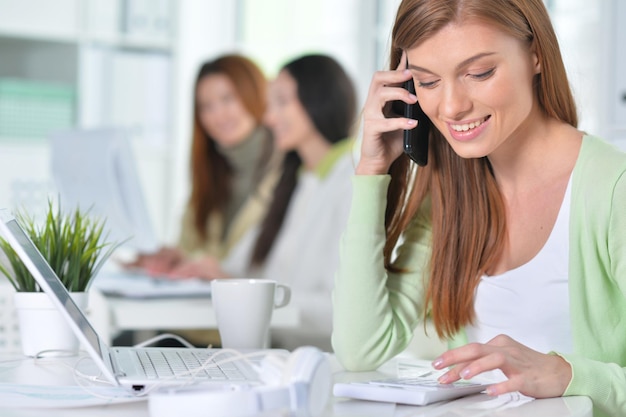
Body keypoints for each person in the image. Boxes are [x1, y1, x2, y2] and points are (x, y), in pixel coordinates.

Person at [331, 1, 626, 416]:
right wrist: (371, 169)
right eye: (428, 81)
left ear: (536, 54)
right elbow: (360, 348)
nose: (451, 107)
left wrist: (568, 375)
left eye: (480, 73)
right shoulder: (451, 196)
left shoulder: (613, 189)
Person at [221, 54, 358, 350]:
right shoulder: (293, 180)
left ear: (318, 100)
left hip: (324, 358)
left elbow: (345, 306)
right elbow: (240, 268)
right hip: (279, 351)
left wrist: (255, 298)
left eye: (282, 102)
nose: (269, 118)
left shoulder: (355, 180)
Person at [129, 54, 282, 278]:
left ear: (255, 95)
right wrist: (175, 258)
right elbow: (191, 247)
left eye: (227, 99)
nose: (217, 115)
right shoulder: (210, 172)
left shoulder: (287, 170)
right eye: (206, 106)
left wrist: (218, 272)